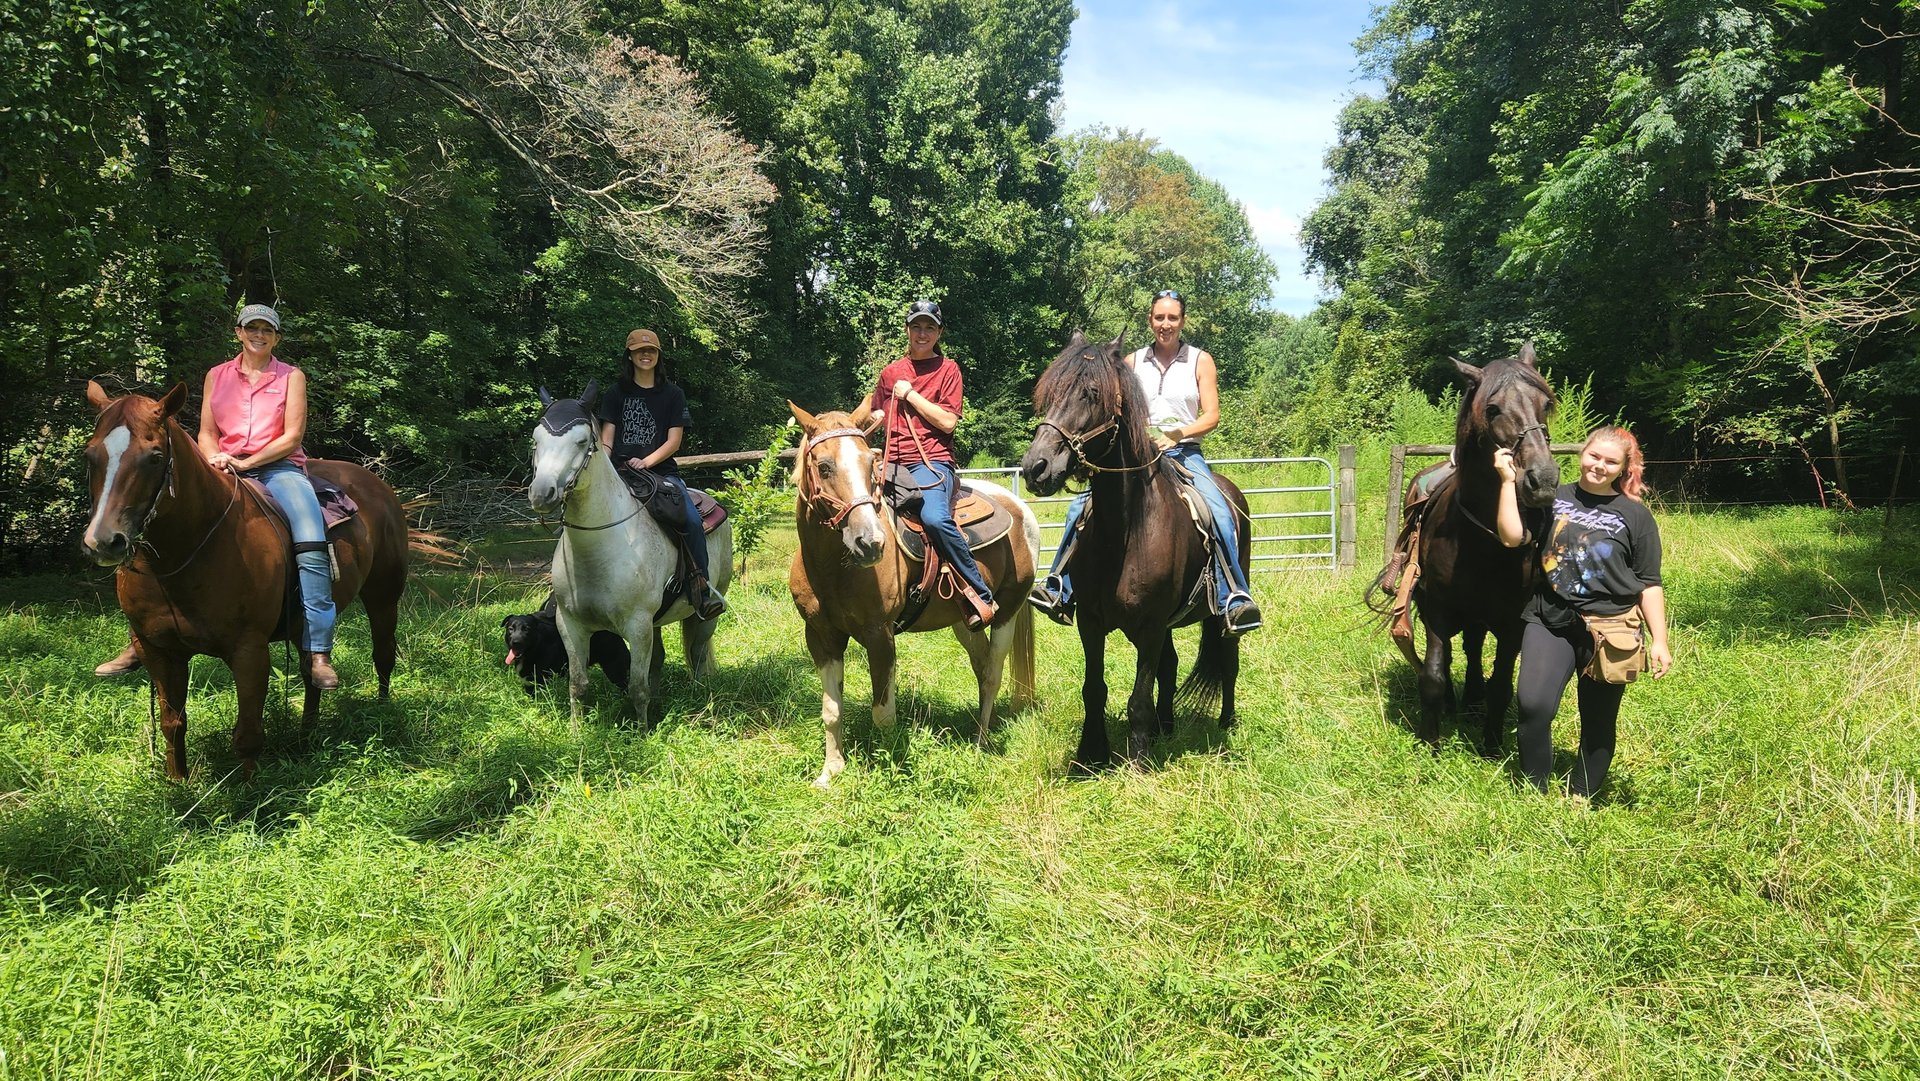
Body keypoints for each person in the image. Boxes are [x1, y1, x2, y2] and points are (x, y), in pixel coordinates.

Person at [95, 304, 342, 686]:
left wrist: (249, 462)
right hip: (221, 463)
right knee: (158, 522)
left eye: (267, 330)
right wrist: (213, 456)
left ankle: (318, 649)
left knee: (311, 539)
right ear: (239, 332)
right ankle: (142, 636)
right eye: (251, 328)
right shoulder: (217, 375)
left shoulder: (291, 377)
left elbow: (291, 436)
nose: (259, 335)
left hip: (279, 467)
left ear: (276, 337)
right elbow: (207, 430)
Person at [1028, 290, 1263, 635]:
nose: (1165, 324)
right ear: (1150, 320)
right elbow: (1111, 406)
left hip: (1184, 451)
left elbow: (1212, 416)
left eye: (1172, 318)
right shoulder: (1132, 361)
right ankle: (1059, 586)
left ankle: (1234, 596)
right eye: (1159, 318)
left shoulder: (1200, 360)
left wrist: (1177, 434)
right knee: (1078, 508)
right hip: (1136, 454)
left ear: (1182, 321)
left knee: (1217, 508)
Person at [1495, 425, 1673, 800]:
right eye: (1594, 456)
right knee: (1533, 708)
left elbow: (1648, 582)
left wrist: (1660, 640)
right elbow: (1511, 537)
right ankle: (1535, 791)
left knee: (1598, 721)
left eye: (1610, 461)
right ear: (1581, 454)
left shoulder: (1635, 517)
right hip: (1550, 618)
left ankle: (1582, 797)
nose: (1599, 466)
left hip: (1613, 627)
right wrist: (1507, 482)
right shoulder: (1550, 499)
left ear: (1623, 467)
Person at [848, 299, 996, 630]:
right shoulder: (890, 373)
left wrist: (911, 396)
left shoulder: (948, 370)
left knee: (934, 518)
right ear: (907, 330)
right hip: (889, 462)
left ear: (939, 332)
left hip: (931, 462)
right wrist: (848, 425)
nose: (922, 333)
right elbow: (871, 412)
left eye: (929, 327)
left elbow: (947, 422)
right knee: (852, 508)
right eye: (916, 326)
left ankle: (980, 593)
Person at [597, 328, 726, 620]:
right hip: (619, 472)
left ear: (658, 356)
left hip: (661, 473)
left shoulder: (672, 394)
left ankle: (700, 590)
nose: (645, 355)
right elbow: (607, 438)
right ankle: (568, 589)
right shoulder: (616, 393)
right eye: (640, 350)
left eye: (651, 351)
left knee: (692, 520)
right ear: (629, 355)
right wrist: (602, 463)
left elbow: (674, 441)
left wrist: (646, 461)